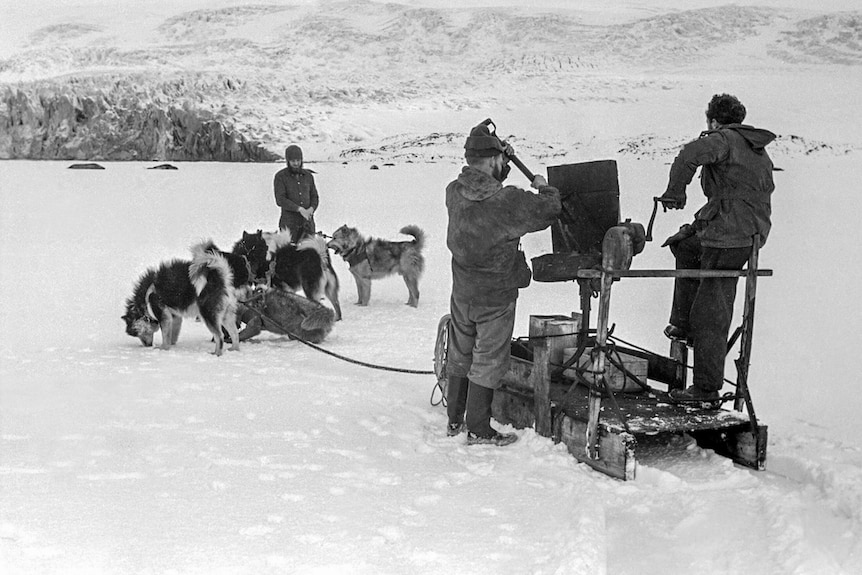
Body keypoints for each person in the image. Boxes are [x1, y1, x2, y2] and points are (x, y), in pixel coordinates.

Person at [445, 122, 562, 446]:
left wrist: (503, 160)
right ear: (493, 159)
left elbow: (488, 185)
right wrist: (544, 186)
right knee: (488, 360)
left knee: (461, 352)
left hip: (463, 290)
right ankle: (479, 428)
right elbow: (550, 209)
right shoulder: (507, 202)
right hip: (495, 296)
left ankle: (454, 418)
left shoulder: (453, 192)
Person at [658, 94, 775, 405]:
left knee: (711, 310)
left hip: (729, 238)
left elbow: (688, 155)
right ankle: (684, 325)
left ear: (712, 120)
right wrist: (697, 225)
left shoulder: (723, 139)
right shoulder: (754, 147)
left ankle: (706, 389)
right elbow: (732, 197)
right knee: (687, 246)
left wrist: (675, 191)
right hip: (746, 233)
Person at [274, 145, 318, 241]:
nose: (296, 163)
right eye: (293, 161)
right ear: (288, 161)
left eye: (298, 160)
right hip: (289, 225)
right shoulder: (280, 177)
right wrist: (299, 209)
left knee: (309, 253)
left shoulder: (308, 176)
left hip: (308, 224)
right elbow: (280, 199)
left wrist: (311, 209)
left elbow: (314, 196)